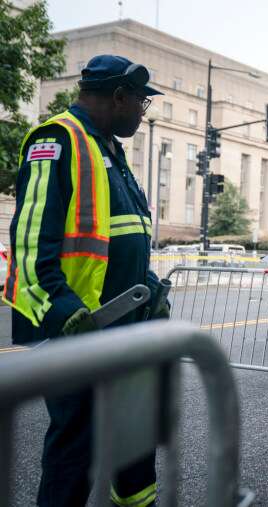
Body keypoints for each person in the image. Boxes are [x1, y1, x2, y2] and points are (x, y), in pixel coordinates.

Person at [2, 55, 168, 506]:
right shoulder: (58, 139)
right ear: (119, 96)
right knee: (75, 449)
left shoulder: (107, 148)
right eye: (141, 102)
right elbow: (32, 246)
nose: (141, 111)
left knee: (137, 435)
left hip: (127, 328)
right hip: (84, 329)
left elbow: (123, 235)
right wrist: (63, 311)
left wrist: (150, 288)